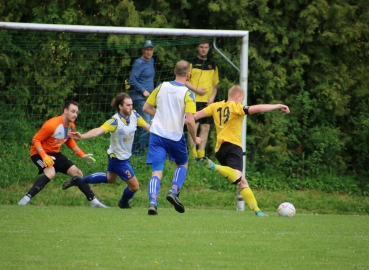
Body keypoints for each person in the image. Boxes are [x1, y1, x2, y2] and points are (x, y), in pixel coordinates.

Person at [194, 85, 290, 216]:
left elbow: (195, 116)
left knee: (242, 181)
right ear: (237, 97)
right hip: (233, 146)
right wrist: (277, 105)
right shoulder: (236, 107)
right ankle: (214, 167)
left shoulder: (215, 106)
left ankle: (257, 210)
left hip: (219, 150)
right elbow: (259, 108)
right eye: (242, 99)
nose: (242, 102)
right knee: (238, 176)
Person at [62, 93, 150, 208]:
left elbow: (148, 127)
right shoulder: (114, 121)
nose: (130, 107)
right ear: (120, 106)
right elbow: (98, 130)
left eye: (131, 105)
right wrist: (82, 136)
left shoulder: (135, 116)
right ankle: (123, 203)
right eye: (128, 105)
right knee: (134, 186)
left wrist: (163, 132)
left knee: (110, 179)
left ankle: (80, 180)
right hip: (119, 159)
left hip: (121, 157)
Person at [18, 101, 109, 208]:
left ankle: (95, 202)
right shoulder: (51, 125)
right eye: (73, 111)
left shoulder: (71, 126)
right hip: (38, 153)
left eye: (76, 112)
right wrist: (44, 155)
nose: (75, 114)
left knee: (78, 174)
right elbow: (36, 140)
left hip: (55, 153)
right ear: (65, 111)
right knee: (51, 173)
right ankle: (24, 201)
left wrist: (81, 154)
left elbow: (68, 140)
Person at [142, 60, 202, 215]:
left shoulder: (161, 86)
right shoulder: (188, 94)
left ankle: (153, 202)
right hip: (175, 137)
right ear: (188, 75)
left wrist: (162, 116)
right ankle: (173, 191)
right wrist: (195, 138)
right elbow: (189, 121)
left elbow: (146, 108)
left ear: (174, 72)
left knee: (156, 171)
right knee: (182, 163)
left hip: (157, 135)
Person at [185, 41, 219, 161]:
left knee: (205, 126)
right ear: (197, 48)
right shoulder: (191, 63)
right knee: (193, 125)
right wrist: (196, 90)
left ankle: (201, 154)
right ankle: (193, 154)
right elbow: (185, 80)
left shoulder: (212, 64)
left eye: (206, 47)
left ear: (209, 48)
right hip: (194, 100)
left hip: (207, 102)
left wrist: (212, 98)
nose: (204, 49)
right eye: (201, 47)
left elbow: (215, 84)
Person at [129, 40, 155, 155]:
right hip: (139, 98)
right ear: (143, 50)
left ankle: (142, 151)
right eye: (147, 49)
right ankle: (137, 153)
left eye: (150, 49)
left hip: (149, 99)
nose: (149, 52)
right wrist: (143, 90)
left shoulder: (152, 61)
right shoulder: (138, 63)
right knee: (145, 126)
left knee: (149, 125)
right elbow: (132, 80)